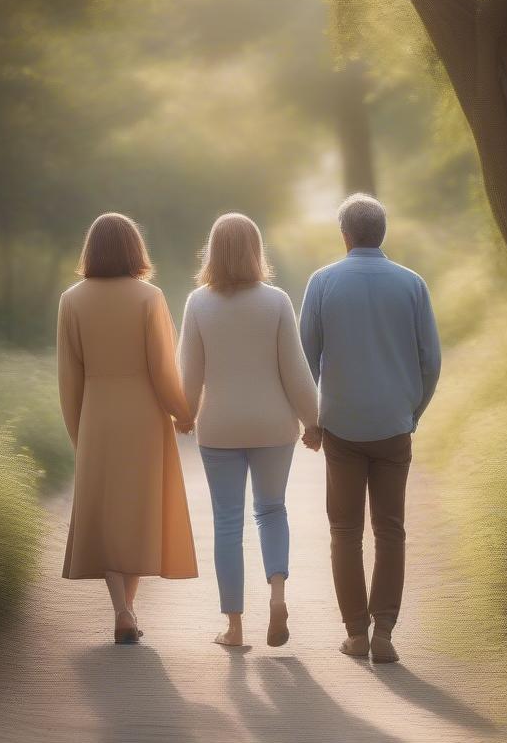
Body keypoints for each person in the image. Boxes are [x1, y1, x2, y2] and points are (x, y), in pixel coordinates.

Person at [300, 193, 441, 664]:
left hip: (340, 426)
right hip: (393, 425)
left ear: (345, 235)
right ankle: (384, 634)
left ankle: (355, 635)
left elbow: (306, 360)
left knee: (344, 530)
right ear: (383, 234)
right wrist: (412, 412)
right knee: (391, 530)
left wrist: (313, 419)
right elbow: (431, 361)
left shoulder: (321, 283)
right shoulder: (412, 284)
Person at [178, 213, 319, 649]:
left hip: (219, 427)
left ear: (213, 251)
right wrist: (313, 421)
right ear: (256, 250)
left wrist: (183, 415)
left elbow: (190, 374)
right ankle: (277, 596)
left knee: (227, 522)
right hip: (273, 424)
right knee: (272, 510)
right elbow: (295, 371)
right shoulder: (276, 301)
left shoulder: (198, 303)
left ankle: (235, 628)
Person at [57, 212, 197, 644]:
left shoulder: (72, 300)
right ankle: (127, 610)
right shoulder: (149, 298)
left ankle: (123, 609)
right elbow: (162, 368)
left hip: (96, 413)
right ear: (136, 249)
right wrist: (183, 412)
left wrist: (78, 430)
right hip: (142, 413)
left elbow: (68, 376)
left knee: (107, 512)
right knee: (136, 512)